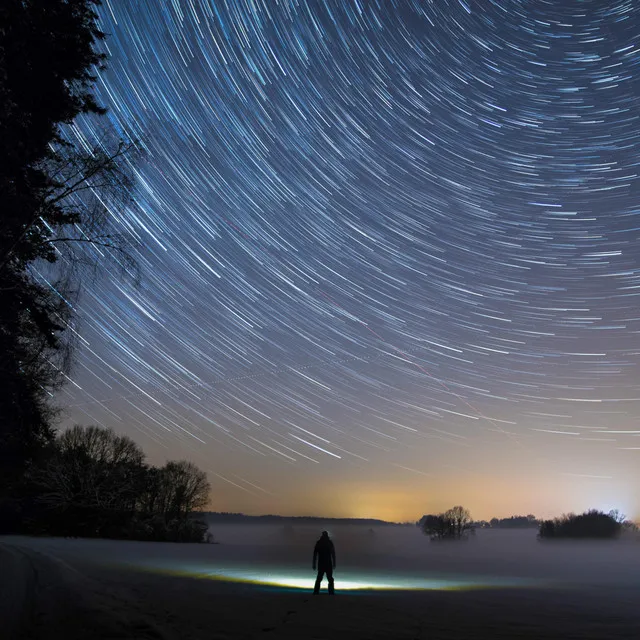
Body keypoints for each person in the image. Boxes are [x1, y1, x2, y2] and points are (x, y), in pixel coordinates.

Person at [312, 530, 336, 594]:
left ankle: (316, 592)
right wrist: (334, 563)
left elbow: (315, 554)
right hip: (328, 563)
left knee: (320, 578)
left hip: (322, 563)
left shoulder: (319, 542)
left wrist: (314, 564)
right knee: (329, 578)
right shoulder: (329, 542)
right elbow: (333, 554)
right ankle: (331, 592)